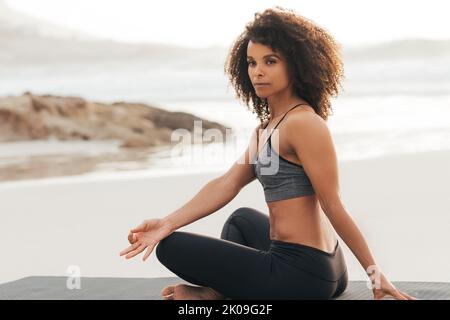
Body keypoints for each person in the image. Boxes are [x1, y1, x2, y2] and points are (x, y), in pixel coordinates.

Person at [119, 6, 416, 300]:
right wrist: (168, 222)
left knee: (171, 248)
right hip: (317, 268)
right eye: (251, 62)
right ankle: (219, 292)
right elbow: (227, 183)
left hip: (305, 275)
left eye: (270, 61)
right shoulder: (266, 129)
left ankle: (215, 294)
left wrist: (375, 275)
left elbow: (333, 205)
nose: (258, 71)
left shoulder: (304, 124)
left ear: (296, 65)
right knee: (240, 220)